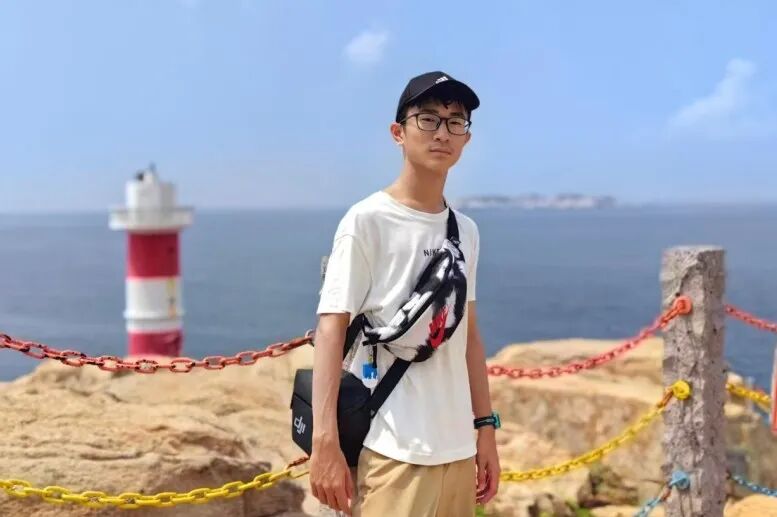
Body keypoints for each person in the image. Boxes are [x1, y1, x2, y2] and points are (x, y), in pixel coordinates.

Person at [310, 71, 500, 517]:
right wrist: (325, 442)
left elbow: (468, 337)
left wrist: (485, 429)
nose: (442, 133)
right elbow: (331, 330)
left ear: (467, 138)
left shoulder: (466, 231)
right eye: (428, 119)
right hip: (393, 451)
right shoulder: (367, 221)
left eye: (456, 121)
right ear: (398, 133)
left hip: (457, 452)